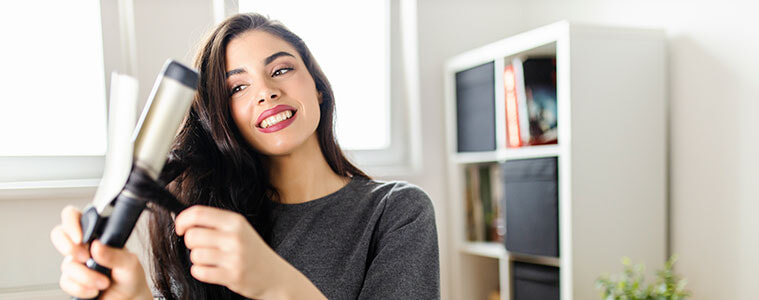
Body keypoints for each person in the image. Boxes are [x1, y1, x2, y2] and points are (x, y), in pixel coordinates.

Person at [49, 12, 440, 300]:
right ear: (223, 118)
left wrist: (277, 284)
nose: (265, 92)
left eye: (282, 69)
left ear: (318, 87)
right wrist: (133, 295)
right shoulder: (204, 217)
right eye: (237, 87)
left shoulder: (397, 212)